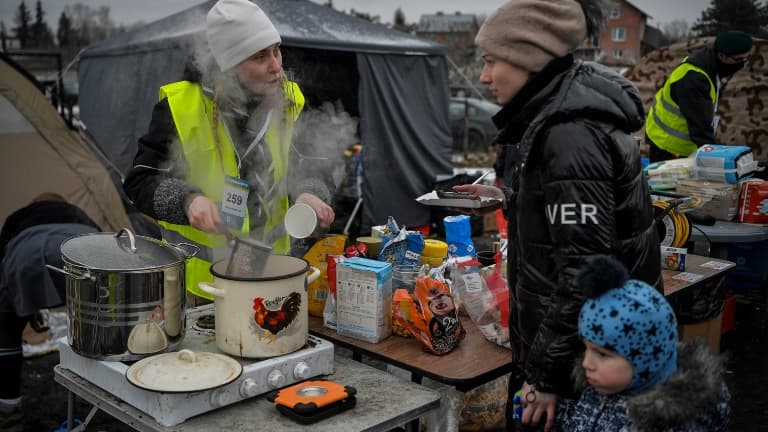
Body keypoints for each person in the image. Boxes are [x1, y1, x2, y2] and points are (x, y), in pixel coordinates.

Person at [452, 0, 662, 430]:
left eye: (492, 62)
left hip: (580, 365)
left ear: (528, 57)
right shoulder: (562, 114)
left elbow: (585, 271)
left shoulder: (569, 132)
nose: (483, 76)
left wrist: (545, 376)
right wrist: (512, 197)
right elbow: (574, 222)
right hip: (582, 349)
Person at [123, 0, 335, 302]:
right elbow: (139, 181)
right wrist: (188, 200)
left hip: (273, 277)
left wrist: (310, 192)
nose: (276, 65)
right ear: (229, 65)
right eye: (260, 56)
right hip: (203, 289)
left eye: (276, 50)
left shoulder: (289, 100)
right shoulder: (180, 106)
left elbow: (313, 164)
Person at [555, 255, 730, 431]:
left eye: (602, 354)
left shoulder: (667, 424)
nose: (586, 363)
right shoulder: (603, 387)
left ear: (645, 359)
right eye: (587, 348)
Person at [0, 194, 100, 432]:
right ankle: (118, 388)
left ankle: (7, 411)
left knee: (5, 326)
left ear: (33, 204)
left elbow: (4, 264)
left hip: (26, 254)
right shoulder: (77, 213)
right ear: (63, 203)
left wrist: (22, 303)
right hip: (83, 250)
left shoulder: (19, 217)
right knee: (104, 321)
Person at [645, 31, 753, 162]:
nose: (743, 63)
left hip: (675, 144)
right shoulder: (694, 80)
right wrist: (718, 160)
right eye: (739, 60)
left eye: (746, 59)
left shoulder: (708, 65)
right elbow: (700, 129)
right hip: (670, 148)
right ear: (722, 56)